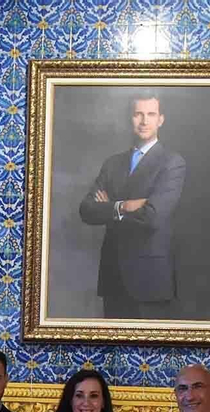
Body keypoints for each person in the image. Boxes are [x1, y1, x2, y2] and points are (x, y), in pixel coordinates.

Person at [77, 92, 186, 319]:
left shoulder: (172, 163)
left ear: (161, 119)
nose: (144, 121)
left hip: (150, 280)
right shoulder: (113, 163)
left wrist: (108, 210)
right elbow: (86, 210)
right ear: (130, 118)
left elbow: (153, 217)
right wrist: (124, 206)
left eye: (150, 114)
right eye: (138, 114)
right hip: (113, 275)